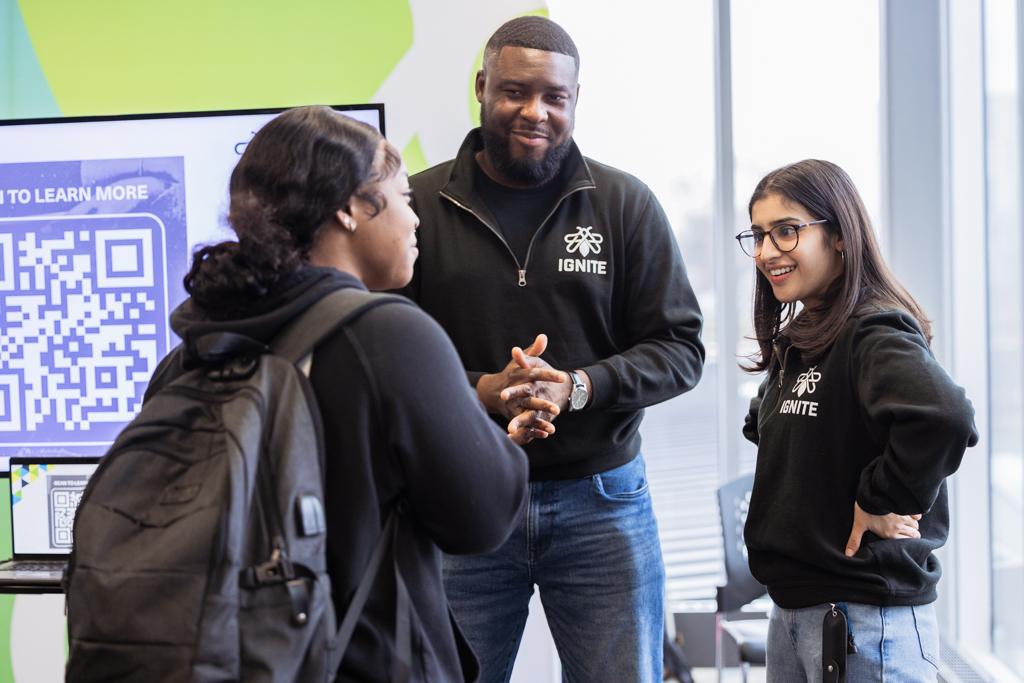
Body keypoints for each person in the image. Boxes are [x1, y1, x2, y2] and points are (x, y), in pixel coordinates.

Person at [148, 105, 530, 683]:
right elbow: (481, 520)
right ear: (351, 208)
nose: (415, 219)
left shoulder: (187, 355)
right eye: (404, 197)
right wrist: (499, 443)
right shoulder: (390, 336)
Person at [396, 16, 705, 683]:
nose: (534, 111)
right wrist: (485, 391)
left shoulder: (624, 205)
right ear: (482, 87)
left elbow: (681, 347)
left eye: (553, 97)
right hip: (462, 500)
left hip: (603, 502)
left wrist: (578, 386)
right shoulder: (416, 206)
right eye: (514, 91)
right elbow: (387, 359)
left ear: (574, 100)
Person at [737, 159, 978, 682]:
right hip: (800, 610)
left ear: (841, 237)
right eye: (758, 235)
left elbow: (944, 415)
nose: (766, 252)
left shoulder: (872, 327)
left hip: (866, 619)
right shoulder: (805, 335)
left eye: (786, 231)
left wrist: (883, 497)